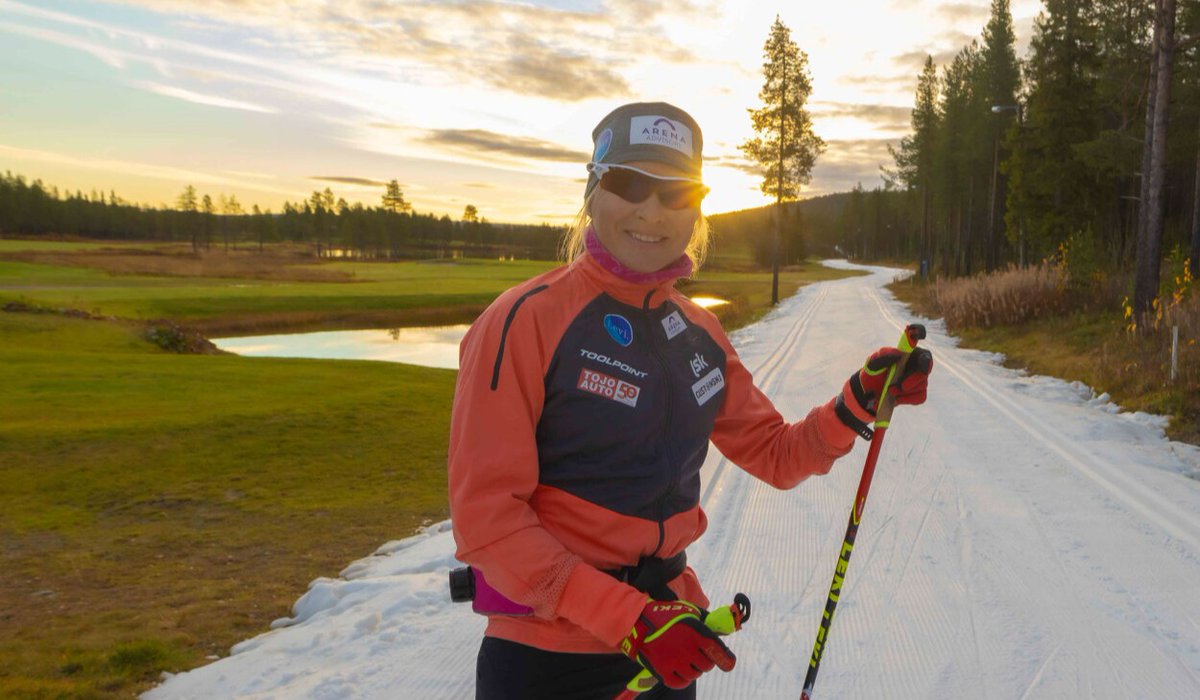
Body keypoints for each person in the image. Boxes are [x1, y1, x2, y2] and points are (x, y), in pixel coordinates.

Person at [447, 102, 932, 700]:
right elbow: (487, 521)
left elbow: (776, 454)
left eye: (678, 193)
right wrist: (629, 620)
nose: (652, 211)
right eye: (630, 184)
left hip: (671, 641)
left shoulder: (698, 330)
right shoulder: (523, 320)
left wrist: (856, 404)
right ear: (593, 189)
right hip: (550, 656)